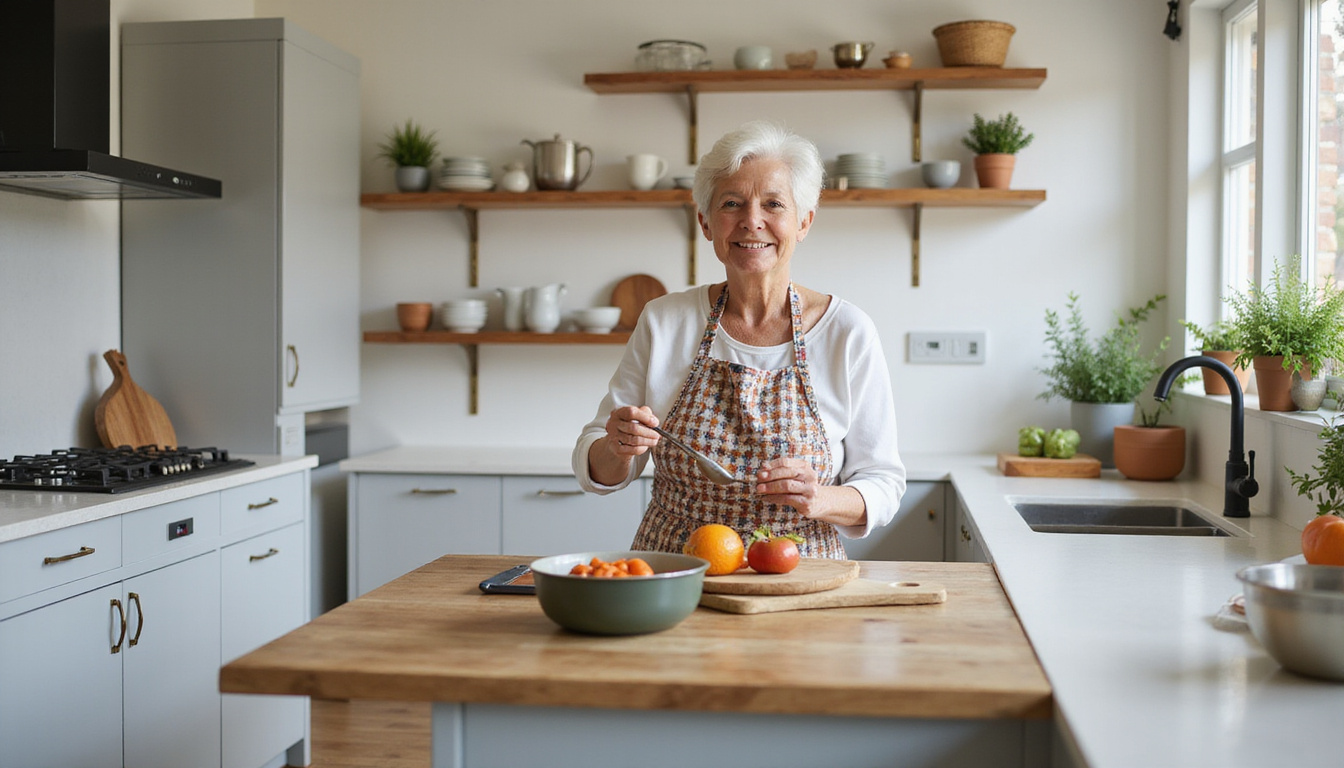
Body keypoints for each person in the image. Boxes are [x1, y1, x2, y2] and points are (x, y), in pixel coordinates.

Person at [571, 120, 905, 559]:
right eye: (732, 203)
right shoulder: (665, 321)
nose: (752, 221)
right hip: (677, 570)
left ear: (803, 222)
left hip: (798, 571)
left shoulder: (847, 331)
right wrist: (617, 447)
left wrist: (820, 498)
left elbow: (884, 482)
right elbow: (597, 467)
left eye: (773, 204)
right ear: (706, 222)